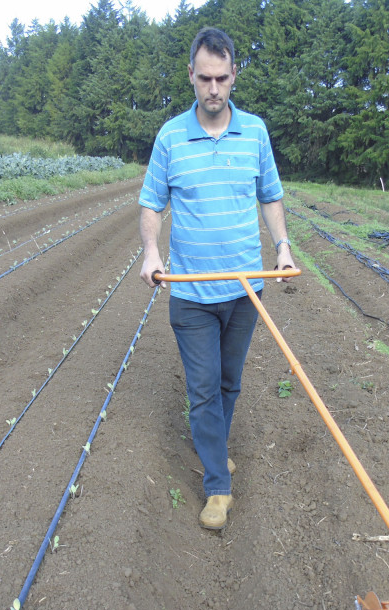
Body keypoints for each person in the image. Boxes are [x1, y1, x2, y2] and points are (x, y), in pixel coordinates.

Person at [139, 26, 296, 531]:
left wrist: (283, 247)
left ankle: (213, 446)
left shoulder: (255, 132)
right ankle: (217, 485)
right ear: (191, 75)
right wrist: (149, 251)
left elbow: (269, 195)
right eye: (204, 78)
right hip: (189, 291)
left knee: (230, 384)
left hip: (245, 287)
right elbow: (152, 203)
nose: (213, 88)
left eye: (221, 78)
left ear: (234, 76)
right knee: (204, 390)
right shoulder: (169, 137)